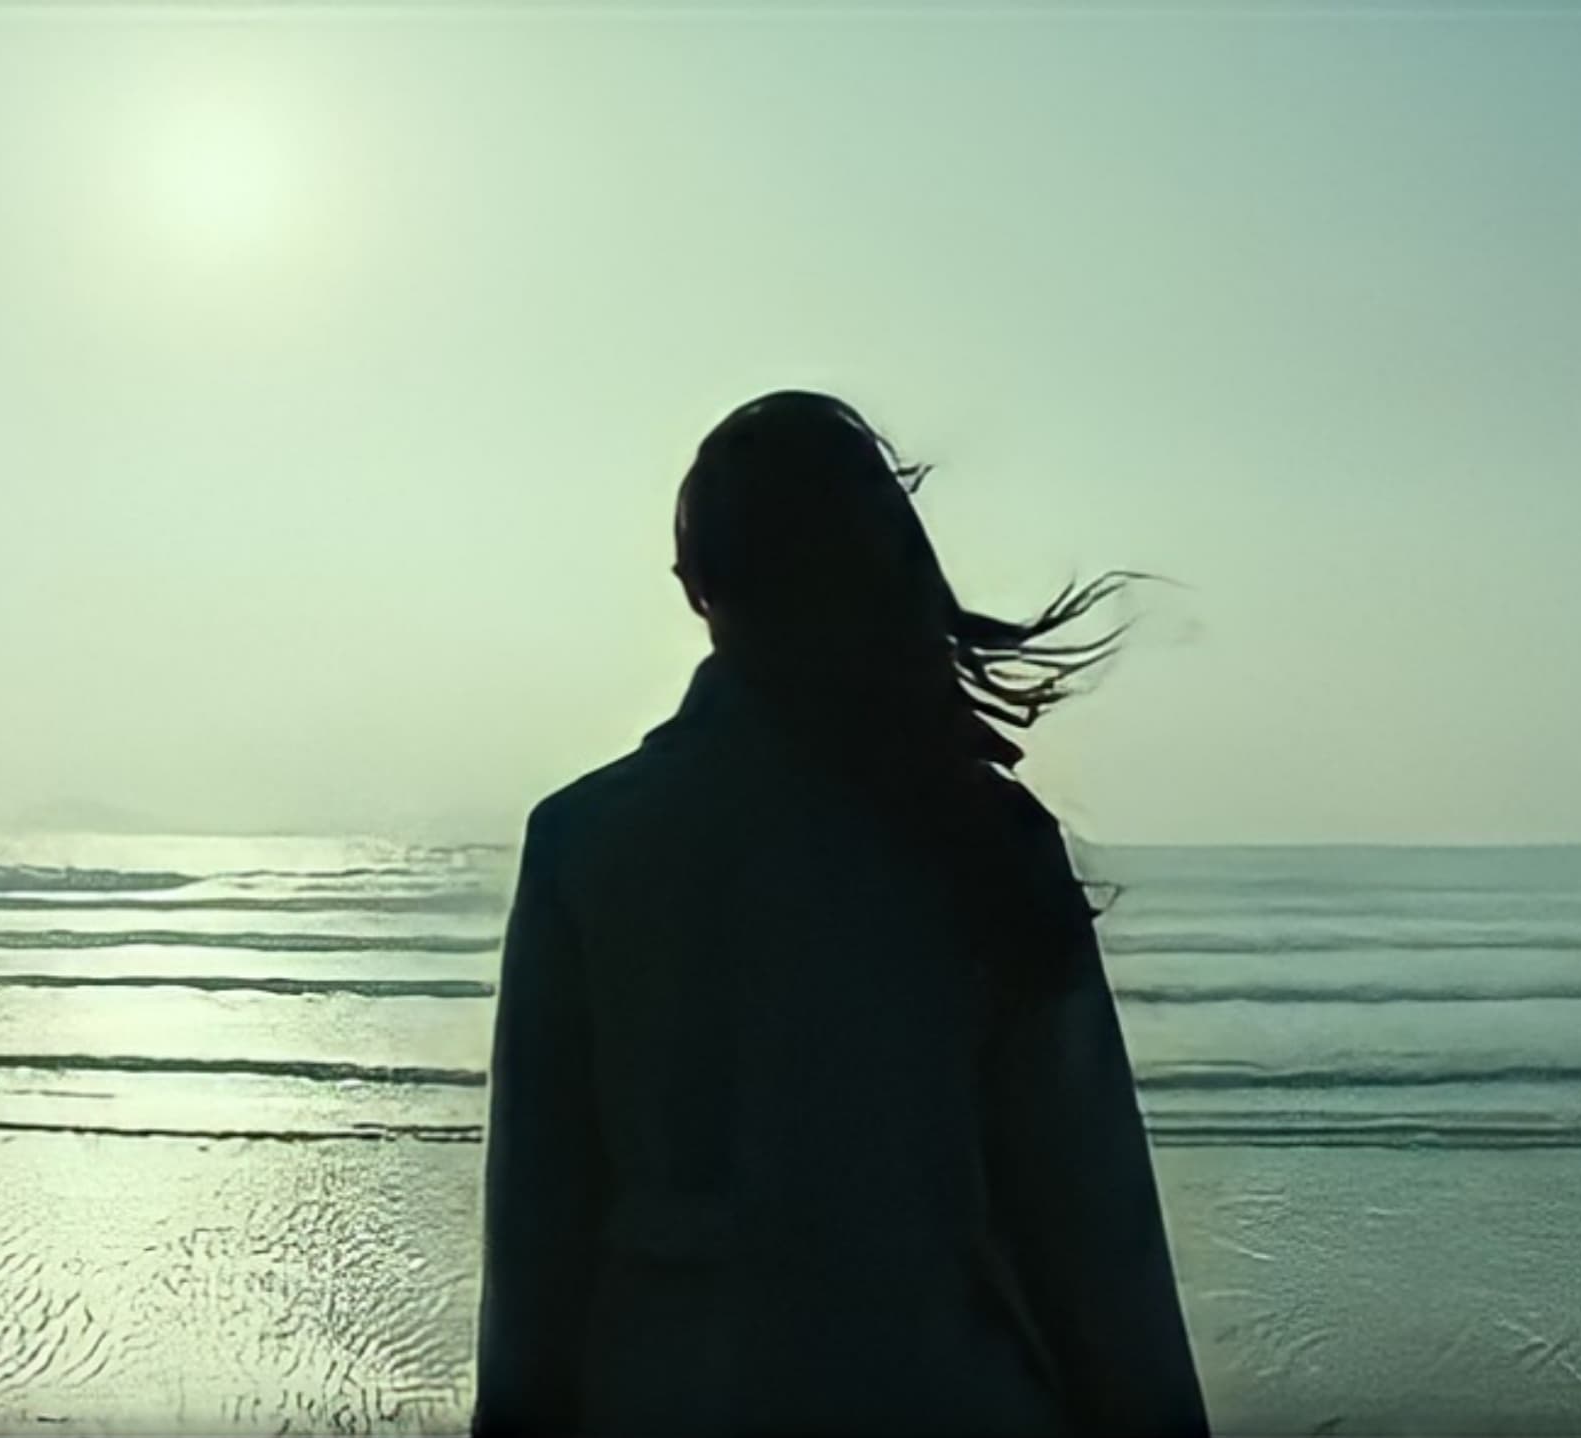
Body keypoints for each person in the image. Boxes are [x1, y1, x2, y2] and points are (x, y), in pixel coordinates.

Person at [470, 391, 1209, 1437]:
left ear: (695, 583)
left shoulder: (584, 841)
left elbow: (537, 1232)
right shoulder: (982, 835)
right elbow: (1096, 1227)